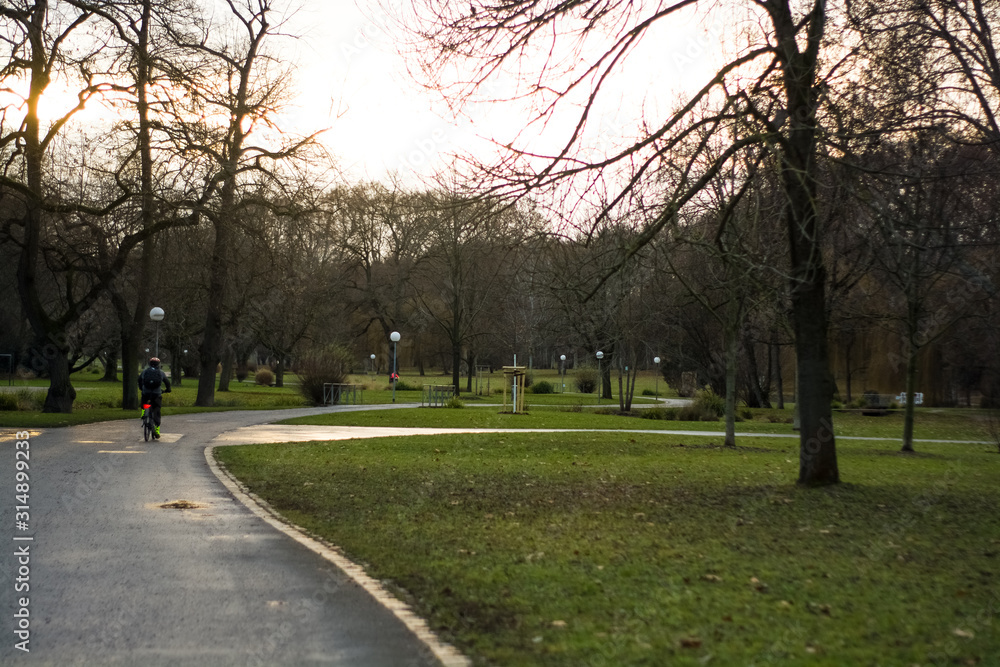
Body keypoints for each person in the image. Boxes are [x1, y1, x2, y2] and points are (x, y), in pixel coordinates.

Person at [138, 357, 171, 439]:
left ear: (149, 363)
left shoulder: (145, 371)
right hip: (156, 393)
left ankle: (143, 412)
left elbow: (139, 380)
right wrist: (168, 390)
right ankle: (156, 429)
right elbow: (167, 382)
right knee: (157, 410)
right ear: (158, 364)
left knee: (145, 400)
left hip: (146, 392)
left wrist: (141, 388)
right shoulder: (161, 372)